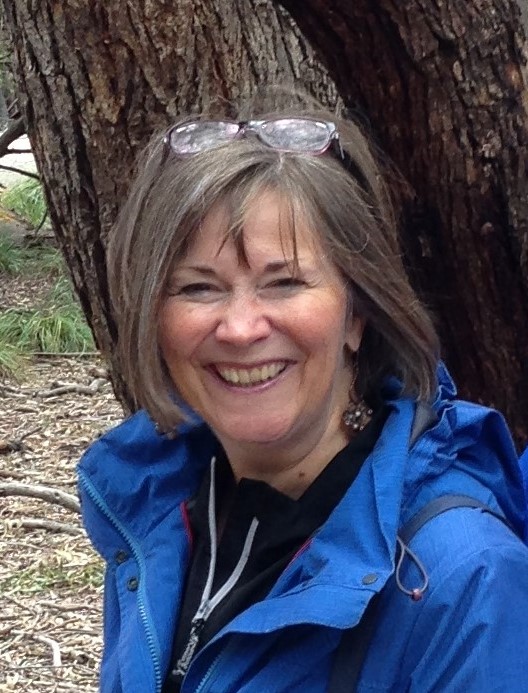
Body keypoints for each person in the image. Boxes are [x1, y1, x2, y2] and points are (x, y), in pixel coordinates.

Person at [78, 103, 528, 693]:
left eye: (285, 283)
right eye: (198, 288)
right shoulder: (154, 508)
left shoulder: (458, 577)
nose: (241, 328)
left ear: (357, 313)